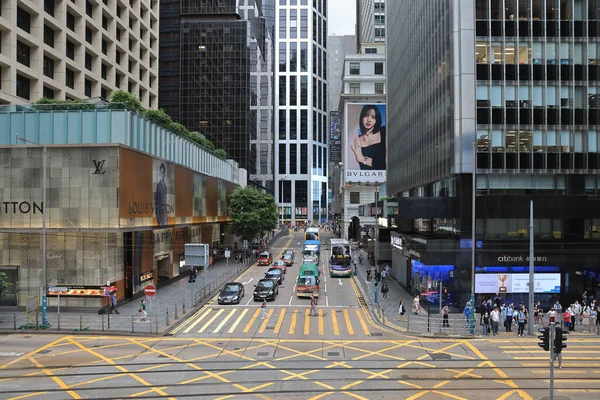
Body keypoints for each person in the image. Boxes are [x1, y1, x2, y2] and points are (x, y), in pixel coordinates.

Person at [350, 105, 387, 170]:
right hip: (365, 178)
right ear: (362, 117)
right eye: (366, 115)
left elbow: (386, 164)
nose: (369, 120)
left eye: (373, 117)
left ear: (377, 120)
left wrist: (362, 158)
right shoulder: (357, 139)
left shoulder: (384, 131)